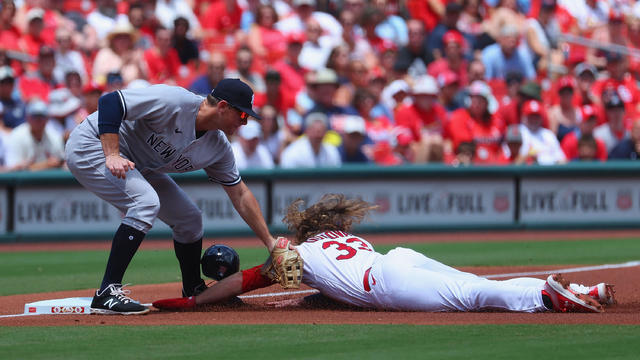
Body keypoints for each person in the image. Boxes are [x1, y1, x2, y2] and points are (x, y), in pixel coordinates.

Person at [153, 194, 614, 313]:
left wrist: (191, 300)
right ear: (336, 226)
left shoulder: (294, 255)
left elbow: (243, 281)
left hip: (387, 282)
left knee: (472, 296)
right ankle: (572, 290)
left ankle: (547, 298)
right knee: (476, 286)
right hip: (397, 259)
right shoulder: (345, 241)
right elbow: (332, 286)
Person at [65, 78, 279, 315]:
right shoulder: (174, 101)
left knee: (189, 219)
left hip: (139, 164)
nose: (245, 122)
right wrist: (112, 153)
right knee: (145, 201)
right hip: (92, 145)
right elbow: (110, 102)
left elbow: (240, 193)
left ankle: (193, 289)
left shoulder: (217, 147)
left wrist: (270, 242)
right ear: (222, 107)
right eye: (242, 115)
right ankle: (107, 292)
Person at [6, 99, 65, 171]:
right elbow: (11, 169)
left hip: (50, 181)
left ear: (47, 119)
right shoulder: (16, 136)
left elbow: (63, 164)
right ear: (27, 118)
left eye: (42, 116)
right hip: (23, 181)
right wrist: (46, 165)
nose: (38, 120)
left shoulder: (54, 136)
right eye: (35, 116)